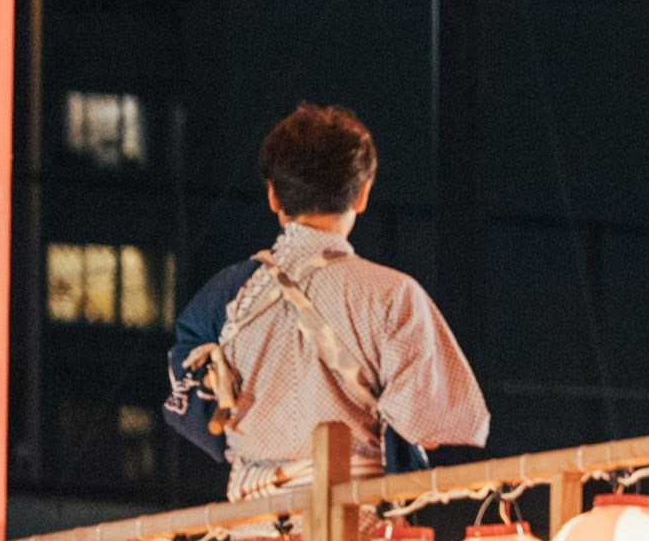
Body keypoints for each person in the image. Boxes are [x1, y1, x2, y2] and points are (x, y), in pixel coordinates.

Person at [164, 104, 490, 498]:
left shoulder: (227, 294)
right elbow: (427, 425)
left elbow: (194, 403)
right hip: (355, 514)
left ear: (273, 196)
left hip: (251, 521)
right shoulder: (393, 295)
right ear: (362, 195)